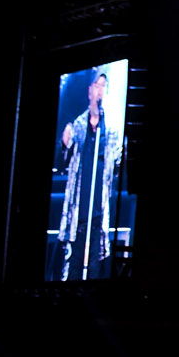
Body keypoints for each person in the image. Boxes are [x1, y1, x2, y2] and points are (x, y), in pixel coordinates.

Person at [57, 69, 124, 281]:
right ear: (89, 91)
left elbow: (117, 166)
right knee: (73, 271)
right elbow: (62, 162)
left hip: (98, 216)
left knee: (94, 272)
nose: (100, 90)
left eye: (104, 86)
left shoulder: (110, 132)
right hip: (78, 216)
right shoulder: (77, 127)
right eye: (97, 85)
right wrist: (64, 144)